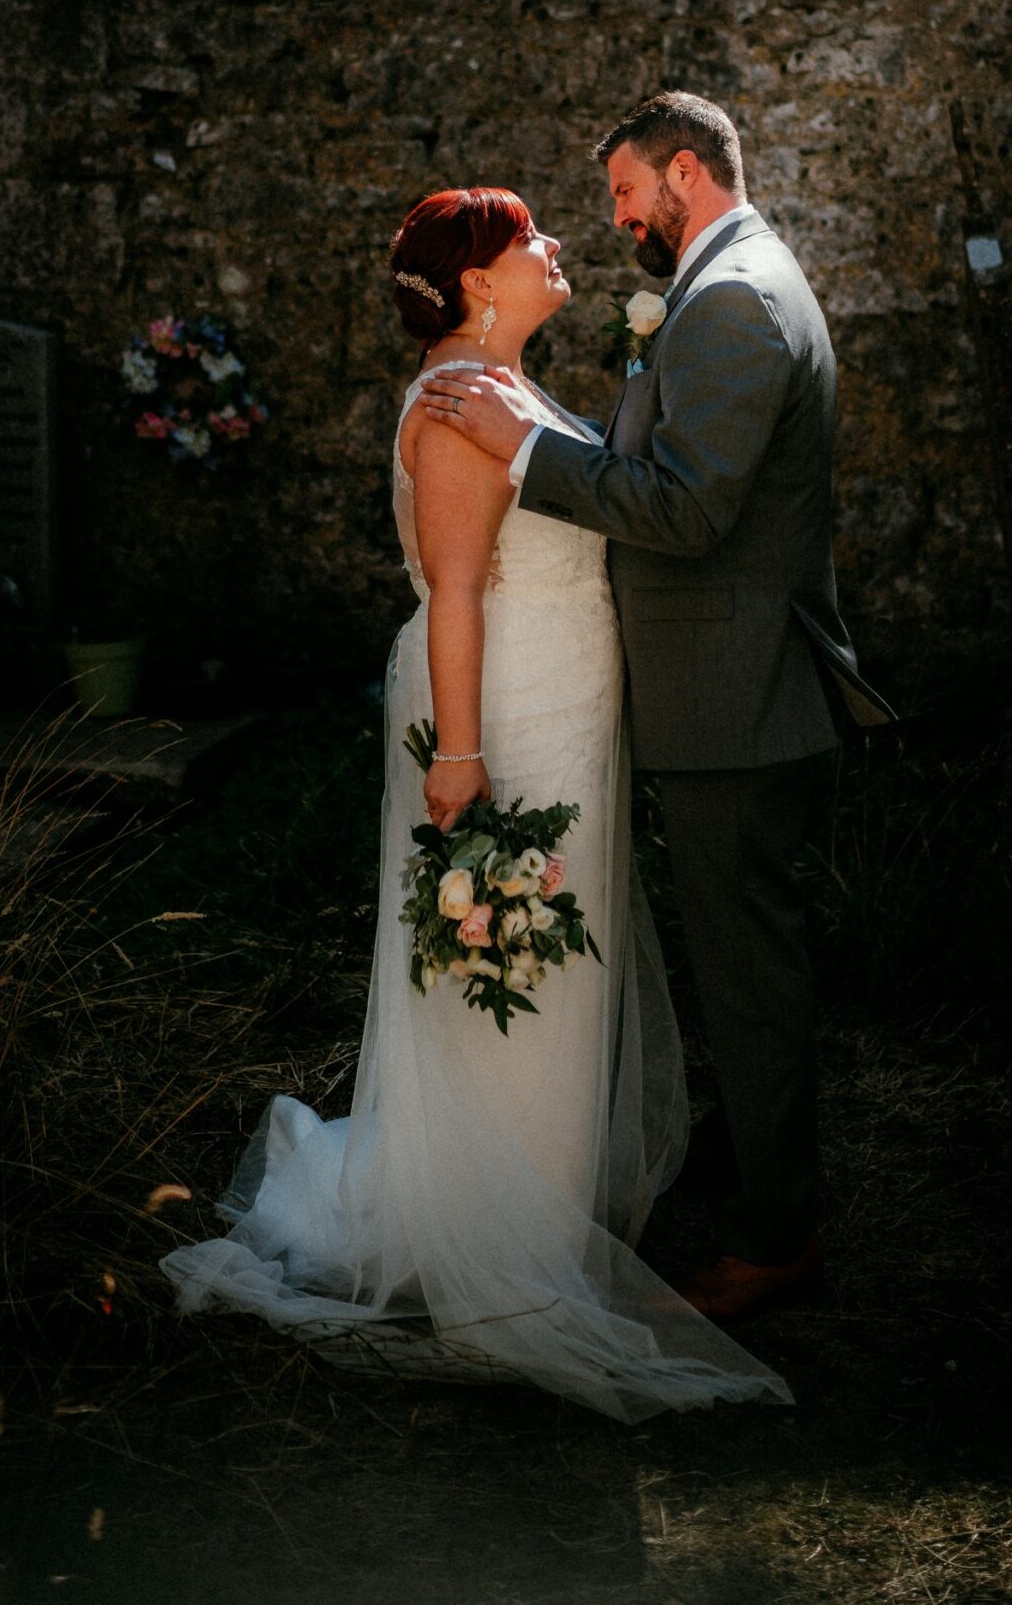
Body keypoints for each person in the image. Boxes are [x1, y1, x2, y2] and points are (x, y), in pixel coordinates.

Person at [161, 185, 789, 1420]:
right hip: (493, 714)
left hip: (559, 702)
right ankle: (492, 1239)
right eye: (529, 239)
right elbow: (455, 590)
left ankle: (531, 1204)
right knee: (508, 957)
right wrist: (458, 762)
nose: (559, 245)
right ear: (476, 282)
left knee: (556, 961)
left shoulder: (505, 381)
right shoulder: (452, 404)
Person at [421, 93, 895, 1325]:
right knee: (743, 961)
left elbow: (688, 508)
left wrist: (529, 452)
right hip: (729, 692)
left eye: (629, 190)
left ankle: (775, 1239)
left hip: (739, 699)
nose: (618, 215)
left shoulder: (734, 297)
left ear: (686, 170)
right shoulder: (718, 282)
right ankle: (758, 1170)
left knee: (752, 974)